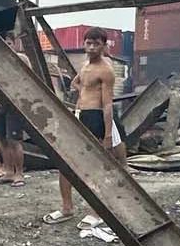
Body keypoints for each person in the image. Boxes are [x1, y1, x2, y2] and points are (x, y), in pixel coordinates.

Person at [45, 28, 124, 224]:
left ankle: (96, 213)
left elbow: (107, 104)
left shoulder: (106, 70)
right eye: (88, 43)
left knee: (94, 167)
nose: (91, 47)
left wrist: (107, 135)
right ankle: (67, 208)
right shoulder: (85, 65)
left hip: (96, 117)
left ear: (103, 45)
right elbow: (76, 83)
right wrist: (83, 94)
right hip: (81, 115)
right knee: (66, 165)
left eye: (96, 43)